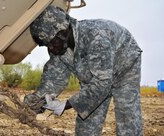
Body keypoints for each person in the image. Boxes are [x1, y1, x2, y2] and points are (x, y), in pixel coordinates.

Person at [24, 5, 143, 136]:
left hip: (124, 68)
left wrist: (67, 105)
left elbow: (102, 83)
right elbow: (53, 80)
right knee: (87, 122)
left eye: (51, 42)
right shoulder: (59, 47)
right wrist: (35, 102)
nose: (51, 48)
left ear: (63, 31)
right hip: (95, 77)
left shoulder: (96, 36)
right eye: (47, 45)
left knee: (127, 115)